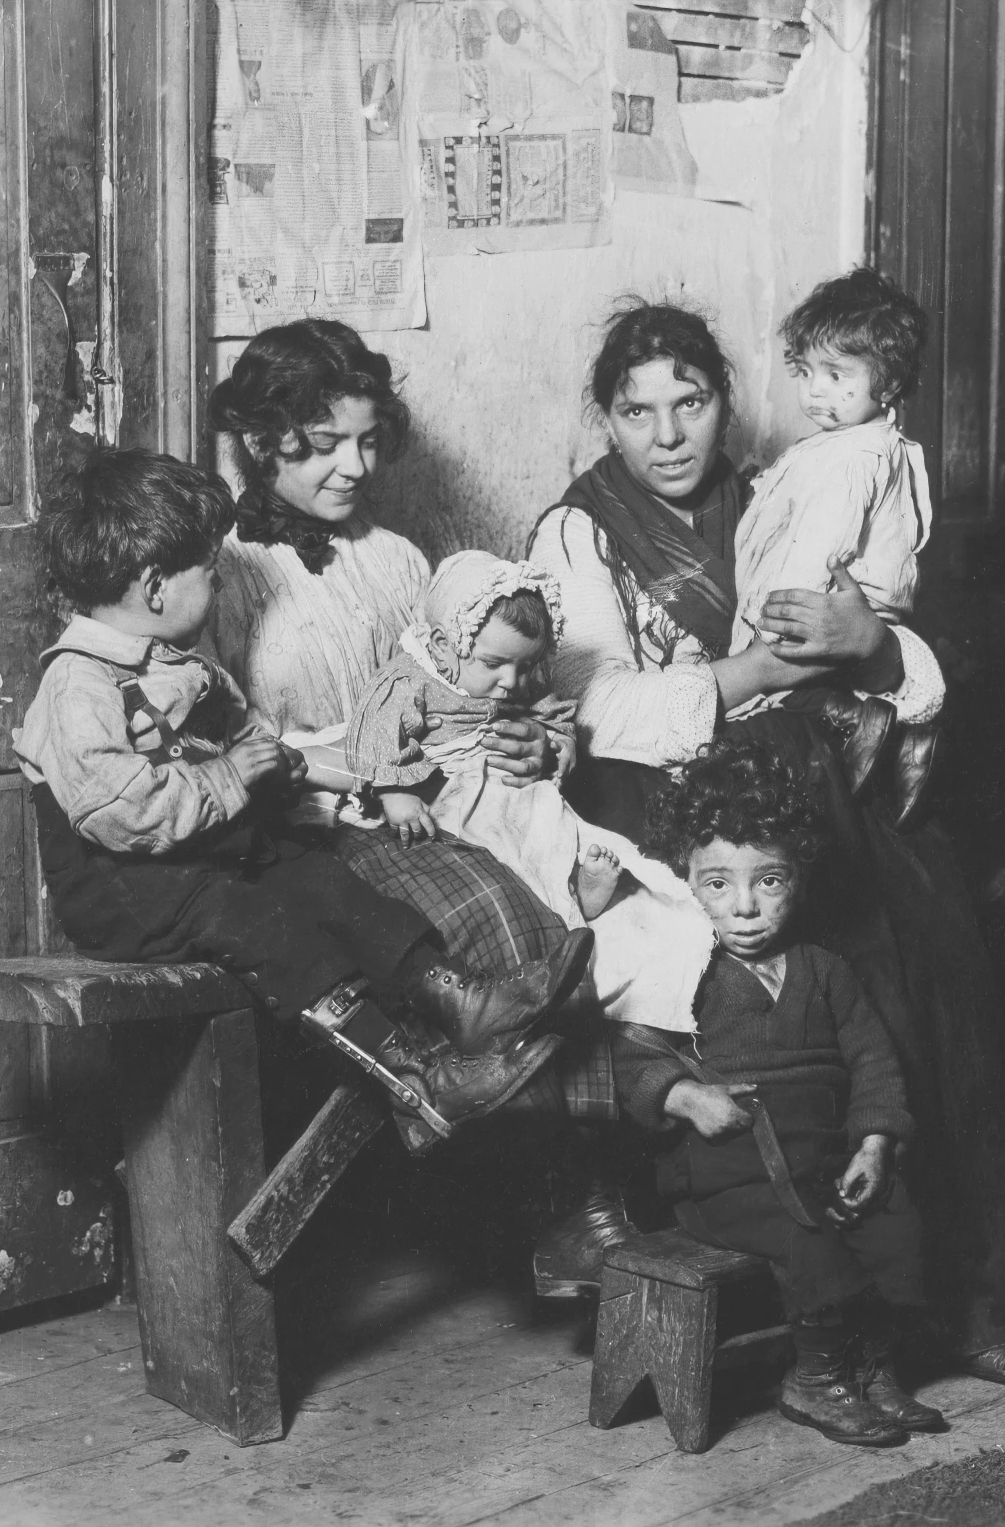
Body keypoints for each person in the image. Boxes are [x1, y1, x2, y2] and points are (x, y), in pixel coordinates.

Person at [530, 299, 1005, 1388]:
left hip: (816, 794)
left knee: (941, 947)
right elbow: (594, 715)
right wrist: (753, 678)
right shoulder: (578, 533)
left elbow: (915, 676)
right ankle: (869, 1312)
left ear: (729, 404)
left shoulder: (796, 488)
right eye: (638, 411)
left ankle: (984, 1294)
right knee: (844, 951)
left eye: (692, 402)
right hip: (663, 818)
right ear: (606, 419)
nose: (668, 433)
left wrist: (871, 644)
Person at [207, 319, 642, 1297]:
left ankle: (586, 1203)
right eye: (325, 445)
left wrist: (537, 740)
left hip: (445, 802)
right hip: (314, 829)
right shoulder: (226, 571)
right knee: (499, 914)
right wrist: (341, 783)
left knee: (567, 914)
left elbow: (486, 684)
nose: (356, 465)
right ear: (263, 438)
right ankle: (566, 1204)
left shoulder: (402, 560)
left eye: (368, 440)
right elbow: (222, 746)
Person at [13, 445, 595, 1140]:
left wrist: (296, 769)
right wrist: (232, 774)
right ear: (154, 585)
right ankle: (414, 1078)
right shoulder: (78, 684)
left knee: (320, 877)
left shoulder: (181, 665)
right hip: (126, 889)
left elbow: (257, 749)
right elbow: (121, 813)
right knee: (267, 926)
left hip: (196, 860)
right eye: (210, 573)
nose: (221, 587)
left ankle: (460, 1000)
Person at [617, 741, 937, 1447]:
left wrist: (874, 1142)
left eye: (769, 881)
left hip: (817, 1158)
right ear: (684, 882)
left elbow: (873, 1061)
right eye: (717, 885)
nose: (746, 908)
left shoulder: (823, 969)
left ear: (800, 878)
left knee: (896, 1229)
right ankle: (814, 1380)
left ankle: (869, 1368)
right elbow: (631, 1058)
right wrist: (685, 1098)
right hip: (726, 1172)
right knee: (808, 1244)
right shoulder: (678, 970)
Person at [346, 550, 714, 1030]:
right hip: (458, 799)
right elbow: (372, 729)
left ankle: (579, 893)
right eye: (495, 664)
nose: (510, 682)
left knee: (555, 830)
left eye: (524, 666)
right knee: (508, 853)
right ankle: (566, 914)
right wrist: (395, 793)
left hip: (517, 791)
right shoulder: (410, 681)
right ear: (442, 644)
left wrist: (557, 742)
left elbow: (551, 712)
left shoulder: (512, 678)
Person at [730, 267, 937, 804]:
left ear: (888, 382)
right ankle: (904, 738)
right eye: (805, 372)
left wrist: (772, 627)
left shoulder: (849, 457)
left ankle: (857, 720)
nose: (815, 390)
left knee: (792, 693)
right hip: (868, 607)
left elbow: (821, 543)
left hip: (834, 606)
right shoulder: (869, 441)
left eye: (837, 374)